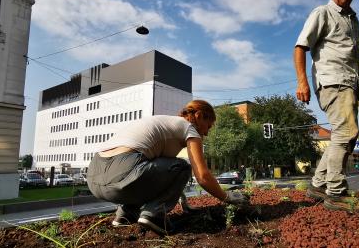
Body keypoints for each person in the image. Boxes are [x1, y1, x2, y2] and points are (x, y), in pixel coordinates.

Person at [86, 100, 248, 235]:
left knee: (163, 167)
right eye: (209, 126)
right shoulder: (189, 128)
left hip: (94, 177)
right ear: (199, 116)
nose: (206, 133)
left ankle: (126, 215)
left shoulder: (166, 123)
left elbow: (161, 177)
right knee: (183, 166)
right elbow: (202, 177)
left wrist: (183, 202)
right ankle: (154, 215)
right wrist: (227, 197)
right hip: (123, 172)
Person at [293, 0, 359, 211]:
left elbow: (352, 58)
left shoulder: (353, 21)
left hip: (349, 83)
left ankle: (318, 183)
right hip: (332, 81)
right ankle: (335, 192)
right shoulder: (322, 13)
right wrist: (302, 81)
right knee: (346, 133)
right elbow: (300, 47)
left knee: (341, 135)